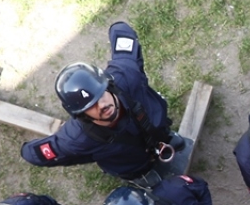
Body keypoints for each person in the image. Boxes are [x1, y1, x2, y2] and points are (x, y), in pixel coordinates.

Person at [22, 22, 183, 186]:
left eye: (101, 94)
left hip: (157, 129)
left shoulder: (125, 77)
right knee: (137, 170)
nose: (101, 104)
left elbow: (122, 31)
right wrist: (86, 156)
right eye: (90, 105)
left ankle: (168, 139)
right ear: (81, 114)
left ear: (108, 85)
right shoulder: (77, 139)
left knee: (163, 133)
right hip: (133, 163)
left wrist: (116, 27)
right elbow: (33, 154)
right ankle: (143, 176)